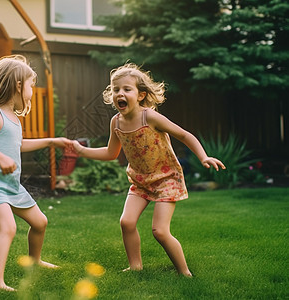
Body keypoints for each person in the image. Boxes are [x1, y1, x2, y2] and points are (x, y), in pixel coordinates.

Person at [72, 62, 225, 277]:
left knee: (160, 231)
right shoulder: (116, 122)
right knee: (126, 222)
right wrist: (81, 150)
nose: (119, 94)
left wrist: (203, 156)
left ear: (141, 95)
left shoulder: (150, 117)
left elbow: (183, 135)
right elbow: (110, 153)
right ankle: (136, 266)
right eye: (115, 90)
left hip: (166, 179)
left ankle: (185, 273)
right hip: (141, 180)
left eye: (127, 89)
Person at [0, 55, 72, 291]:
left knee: (40, 222)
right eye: (32, 84)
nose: (33, 89)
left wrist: (51, 141)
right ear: (18, 85)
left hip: (12, 185)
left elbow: (18, 145)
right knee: (8, 227)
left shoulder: (13, 117)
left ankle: (35, 260)